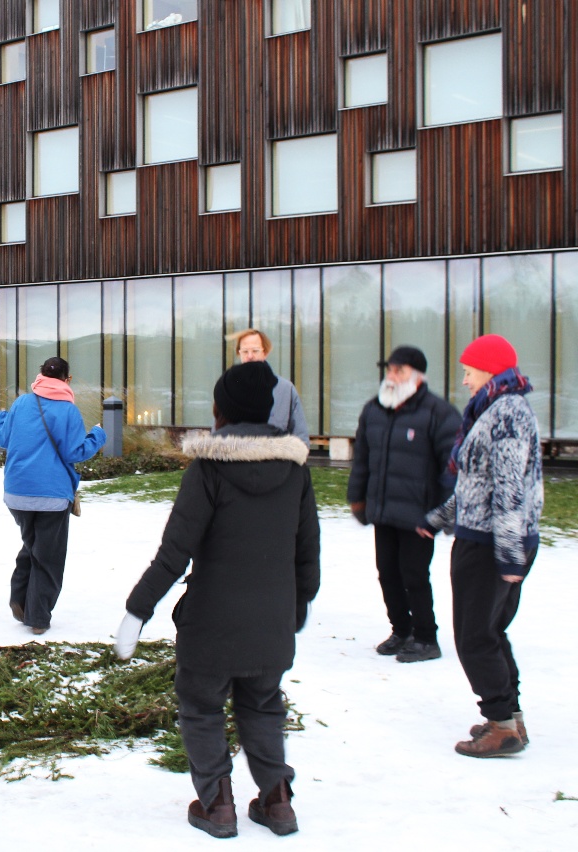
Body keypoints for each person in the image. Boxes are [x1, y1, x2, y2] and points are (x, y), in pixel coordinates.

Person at [115, 361, 320, 839]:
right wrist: (298, 605)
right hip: (272, 622)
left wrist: (136, 609)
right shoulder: (295, 471)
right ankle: (277, 801)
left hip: (211, 623)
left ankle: (218, 804)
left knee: (202, 705)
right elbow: (307, 550)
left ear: (221, 410)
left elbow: (174, 552)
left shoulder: (209, 470)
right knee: (264, 704)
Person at [421, 334, 542, 758]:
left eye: (470, 372)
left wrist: (508, 552)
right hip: (489, 537)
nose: (466, 381)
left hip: (492, 544)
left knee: (474, 637)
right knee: (491, 631)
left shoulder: (506, 414)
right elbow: (478, 482)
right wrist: (440, 519)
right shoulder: (494, 409)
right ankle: (510, 716)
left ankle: (501, 725)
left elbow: (509, 488)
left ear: (490, 371)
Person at [347, 345, 460, 663]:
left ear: (418, 376)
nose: (393, 376)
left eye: (400, 371)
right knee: (387, 572)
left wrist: (440, 516)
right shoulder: (374, 409)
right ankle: (401, 629)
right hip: (384, 511)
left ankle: (426, 637)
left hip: (418, 516)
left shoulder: (439, 413)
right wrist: (358, 498)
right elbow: (363, 460)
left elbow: (452, 470)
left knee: (414, 575)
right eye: (390, 370)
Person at [0, 357, 106, 634]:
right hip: (52, 497)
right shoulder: (68, 410)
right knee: (49, 557)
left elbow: (2, 439)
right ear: (67, 380)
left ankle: (20, 600)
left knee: (33, 545)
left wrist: (1, 418)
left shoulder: (21, 403)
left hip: (17, 494)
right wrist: (98, 436)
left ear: (39, 376)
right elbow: (75, 452)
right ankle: (38, 618)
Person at [228, 328, 310, 447]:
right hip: (237, 463)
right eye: (245, 351)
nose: (250, 356)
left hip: (276, 462)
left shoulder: (285, 390)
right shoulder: (228, 390)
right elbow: (217, 437)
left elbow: (300, 438)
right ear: (239, 354)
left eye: (255, 351)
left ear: (265, 353)